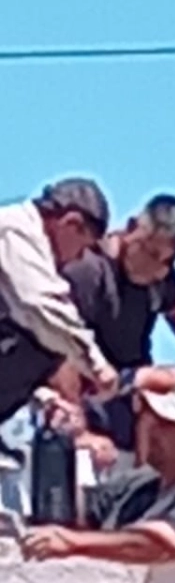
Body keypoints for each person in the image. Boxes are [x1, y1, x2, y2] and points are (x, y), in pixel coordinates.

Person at [22, 375, 175, 563]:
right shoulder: (143, 483)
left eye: (166, 424)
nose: (152, 429)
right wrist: (61, 443)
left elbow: (160, 545)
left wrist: (73, 543)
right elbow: (82, 509)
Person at [52, 193, 175, 401]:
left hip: (134, 389)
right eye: (144, 248)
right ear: (131, 227)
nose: (146, 263)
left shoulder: (160, 281)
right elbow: (60, 343)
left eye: (158, 259)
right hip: (90, 386)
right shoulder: (88, 269)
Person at [0, 179, 119, 442]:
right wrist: (98, 367)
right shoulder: (15, 231)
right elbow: (42, 308)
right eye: (82, 247)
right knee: (47, 344)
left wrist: (45, 397)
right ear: (71, 223)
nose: (78, 259)